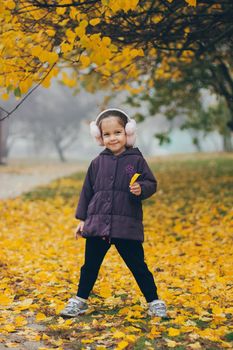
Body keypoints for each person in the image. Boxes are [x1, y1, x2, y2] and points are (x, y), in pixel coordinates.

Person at [60, 108, 167, 318]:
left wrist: (140, 188)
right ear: (100, 138)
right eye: (107, 134)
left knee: (138, 266)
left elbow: (148, 182)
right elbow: (87, 192)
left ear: (127, 132)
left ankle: (154, 301)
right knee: (89, 265)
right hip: (98, 224)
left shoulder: (132, 162)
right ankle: (80, 300)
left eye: (117, 132)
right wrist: (83, 220)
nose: (113, 138)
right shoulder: (97, 163)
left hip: (125, 225)